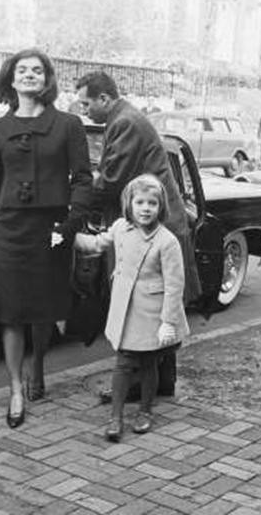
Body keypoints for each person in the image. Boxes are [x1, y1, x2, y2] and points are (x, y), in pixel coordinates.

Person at [0, 48, 92, 428]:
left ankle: (38, 364)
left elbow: (83, 179)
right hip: (10, 231)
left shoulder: (68, 125)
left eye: (37, 71)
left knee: (44, 308)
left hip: (51, 231)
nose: (29, 75)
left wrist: (70, 226)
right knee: (10, 312)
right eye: (22, 70)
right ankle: (15, 388)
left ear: (47, 79)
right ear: (11, 79)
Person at [75, 70, 201, 399]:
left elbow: (112, 179)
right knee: (158, 304)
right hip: (160, 222)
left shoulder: (124, 122)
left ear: (104, 98)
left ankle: (134, 385)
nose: (84, 110)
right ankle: (163, 381)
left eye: (86, 104)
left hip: (156, 229)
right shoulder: (125, 118)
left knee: (139, 305)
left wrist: (76, 197)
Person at [75, 174, 189, 441]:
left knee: (149, 363)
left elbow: (175, 285)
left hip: (151, 312)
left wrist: (168, 321)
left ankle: (145, 411)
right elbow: (97, 243)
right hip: (124, 309)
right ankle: (115, 417)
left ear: (161, 206)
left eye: (152, 203)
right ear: (130, 204)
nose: (145, 208)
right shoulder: (121, 228)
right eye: (140, 202)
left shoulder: (167, 241)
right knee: (124, 362)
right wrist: (71, 237)